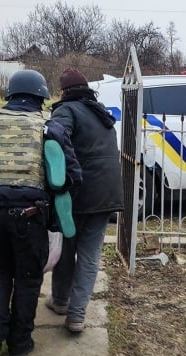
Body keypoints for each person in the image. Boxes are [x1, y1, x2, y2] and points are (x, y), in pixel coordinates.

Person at [0, 69, 82, 356]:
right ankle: (20, 344)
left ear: (10, 95)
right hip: (29, 213)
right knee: (27, 278)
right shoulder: (49, 127)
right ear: (41, 97)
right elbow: (72, 176)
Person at [47, 67, 124, 333]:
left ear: (65, 91)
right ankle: (77, 316)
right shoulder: (100, 112)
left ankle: (60, 301)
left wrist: (62, 174)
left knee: (67, 248)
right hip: (108, 192)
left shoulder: (66, 110)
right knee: (90, 257)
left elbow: (54, 136)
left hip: (78, 192)